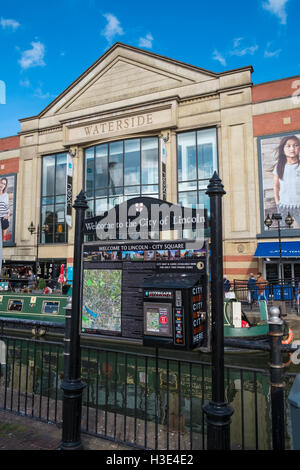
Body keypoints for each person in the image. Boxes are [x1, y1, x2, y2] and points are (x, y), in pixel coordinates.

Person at [272, 135, 300, 227]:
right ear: (283, 149)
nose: (292, 149)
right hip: (283, 206)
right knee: (283, 230)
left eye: (296, 145)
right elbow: (276, 186)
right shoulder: (279, 167)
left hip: (298, 205)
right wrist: (278, 203)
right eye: (288, 146)